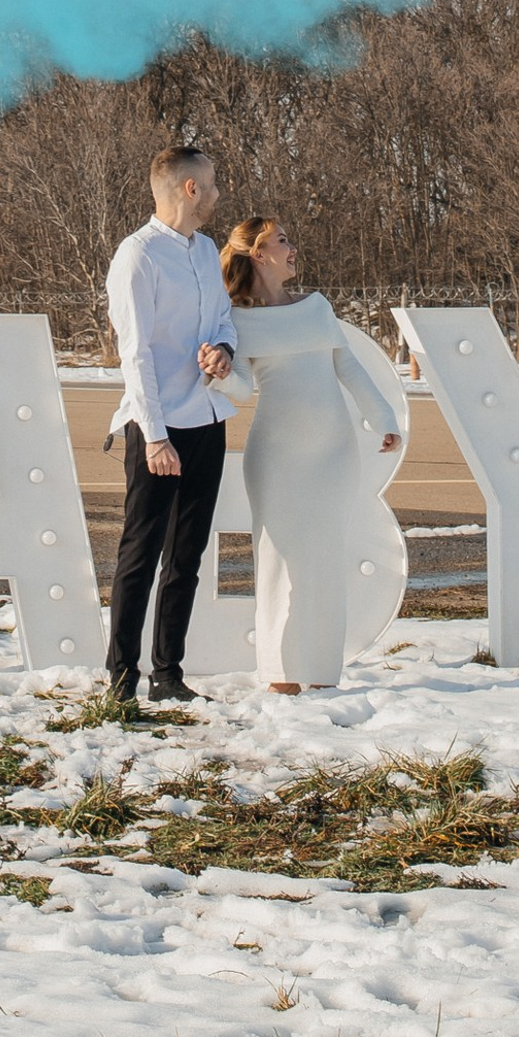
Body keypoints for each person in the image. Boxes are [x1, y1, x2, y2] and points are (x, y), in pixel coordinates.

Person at [220, 217, 402, 694]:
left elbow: (350, 368)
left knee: (325, 561)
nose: (293, 248)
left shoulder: (317, 306)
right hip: (275, 457)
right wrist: (218, 373)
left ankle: (321, 675)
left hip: (334, 453)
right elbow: (240, 389)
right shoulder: (237, 319)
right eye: (283, 241)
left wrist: (383, 419)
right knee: (278, 561)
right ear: (259, 254)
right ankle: (279, 674)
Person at [103, 145, 241, 704]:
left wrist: (223, 351)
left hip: (207, 418)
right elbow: (134, 354)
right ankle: (120, 679)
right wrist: (155, 437)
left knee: (187, 556)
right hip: (156, 427)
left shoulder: (206, 249)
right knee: (140, 554)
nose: (217, 193)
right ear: (190, 189)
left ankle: (168, 675)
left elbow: (223, 318)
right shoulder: (137, 256)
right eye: (211, 184)